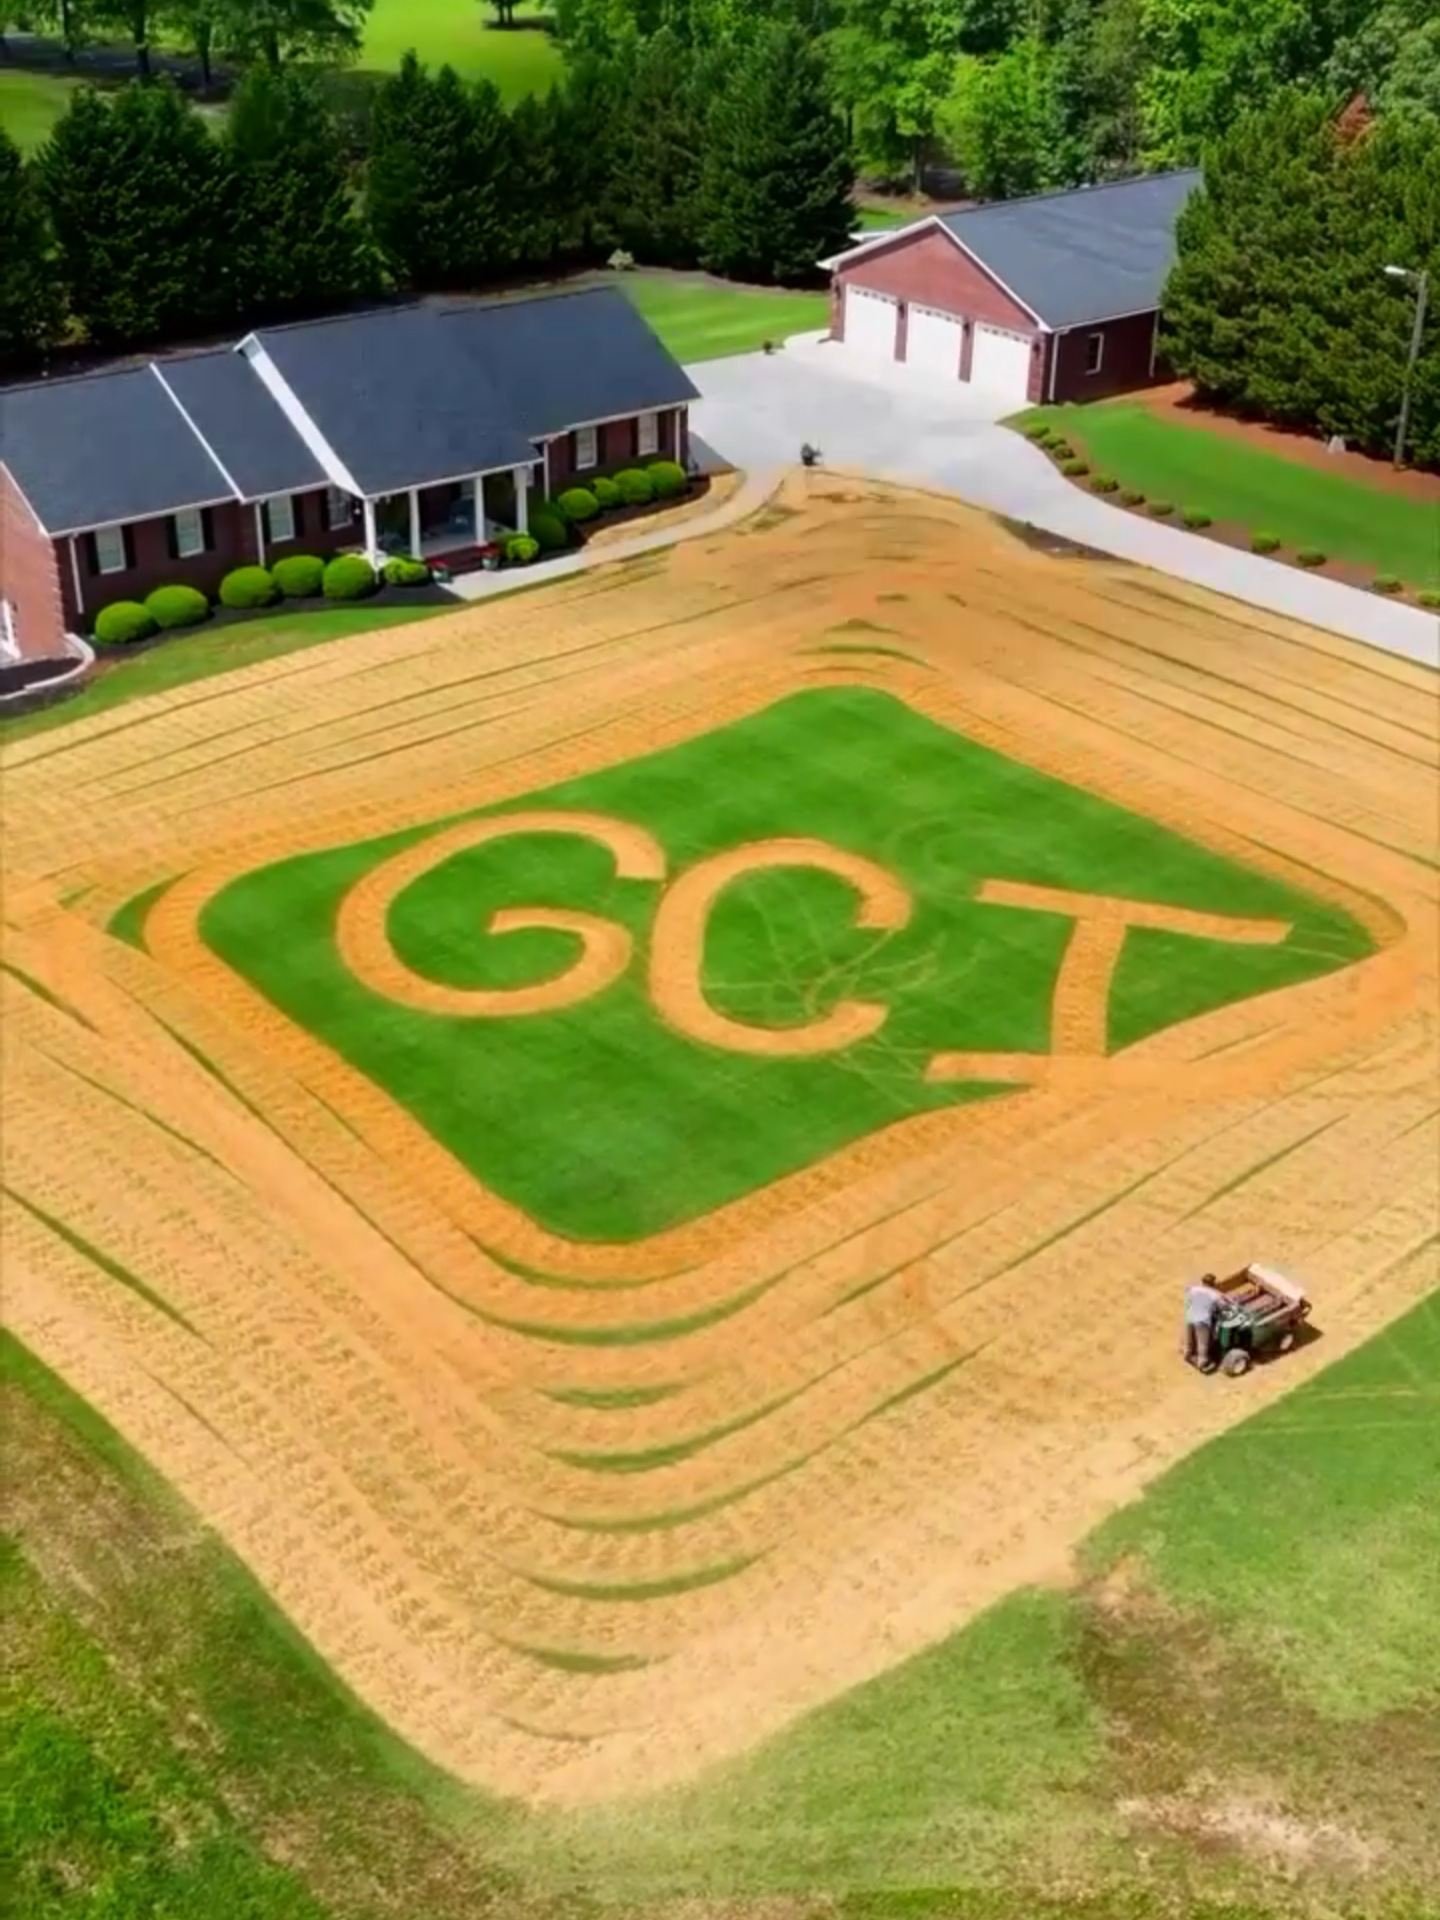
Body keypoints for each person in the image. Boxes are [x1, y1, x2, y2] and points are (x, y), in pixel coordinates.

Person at [1181, 1273, 1226, 1372]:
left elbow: (1187, 1298)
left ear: (1202, 1282)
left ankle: (1187, 1353)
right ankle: (1202, 1362)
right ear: (1213, 1284)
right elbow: (1223, 1307)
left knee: (1190, 1337)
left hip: (1189, 1316)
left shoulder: (1193, 1289)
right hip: (1202, 1321)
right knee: (1202, 1343)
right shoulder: (1214, 1295)